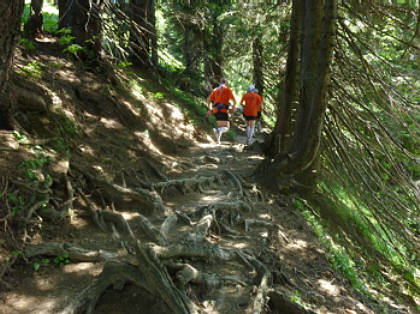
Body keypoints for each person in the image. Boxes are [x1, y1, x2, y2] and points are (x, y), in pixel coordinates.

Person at [206, 78, 237, 144]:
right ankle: (217, 130)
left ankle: (218, 141)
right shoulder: (228, 90)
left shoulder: (215, 90)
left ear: (220, 82)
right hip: (223, 110)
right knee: (226, 127)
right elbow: (234, 101)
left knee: (221, 126)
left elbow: (208, 100)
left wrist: (209, 109)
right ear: (226, 82)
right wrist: (233, 107)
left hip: (216, 110)